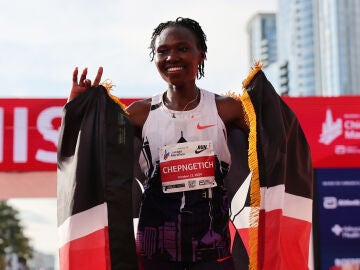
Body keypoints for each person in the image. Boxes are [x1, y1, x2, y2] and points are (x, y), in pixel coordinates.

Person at [66, 17, 313, 270]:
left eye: (182, 48)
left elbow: (275, 137)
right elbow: (90, 150)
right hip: (155, 252)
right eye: (163, 51)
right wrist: (76, 108)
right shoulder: (139, 114)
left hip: (212, 250)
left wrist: (268, 105)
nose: (172, 57)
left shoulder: (226, 109)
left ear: (201, 55)